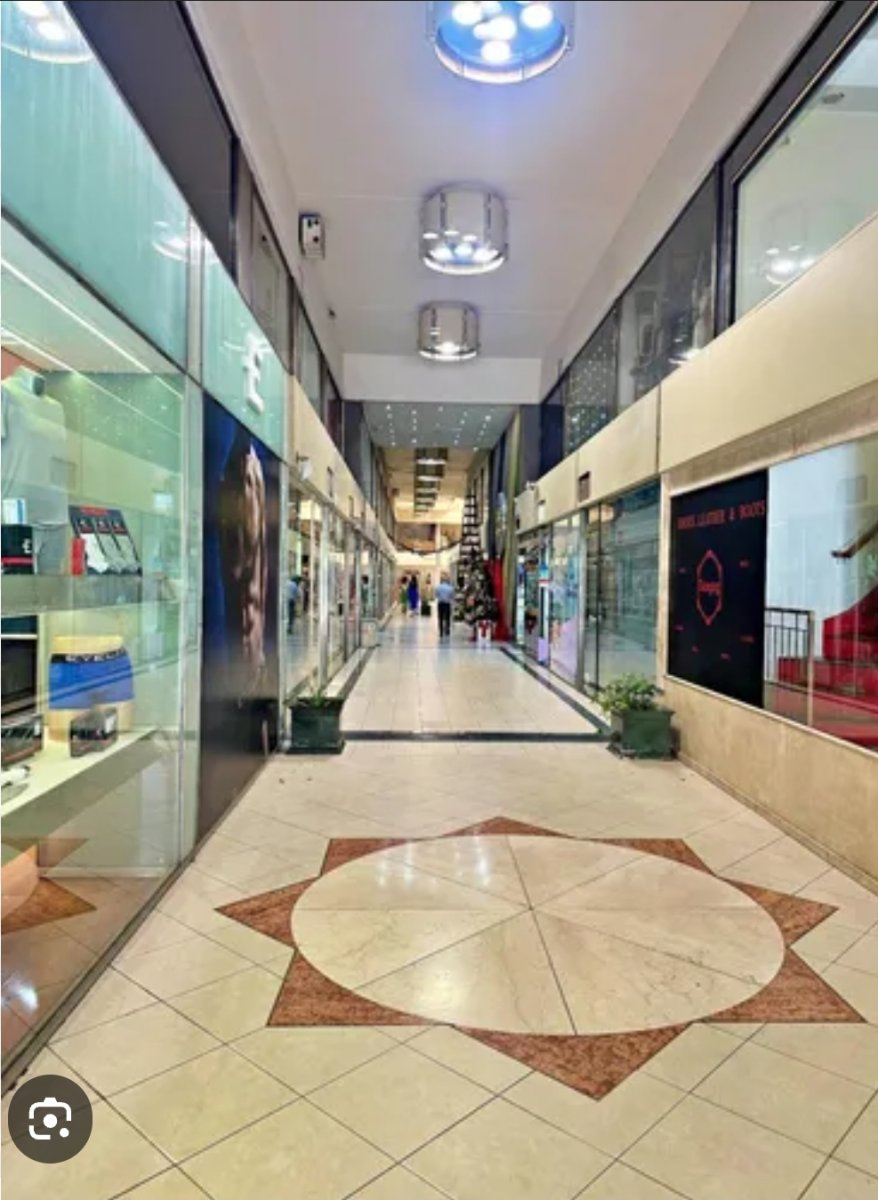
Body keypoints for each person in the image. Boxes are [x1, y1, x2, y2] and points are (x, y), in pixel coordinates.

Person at [435, 572, 455, 638]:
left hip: (440, 604)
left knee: (440, 617)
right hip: (447, 604)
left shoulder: (438, 587)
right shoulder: (450, 588)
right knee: (447, 617)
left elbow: (436, 595)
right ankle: (447, 630)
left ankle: (441, 631)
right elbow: (452, 596)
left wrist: (441, 597)